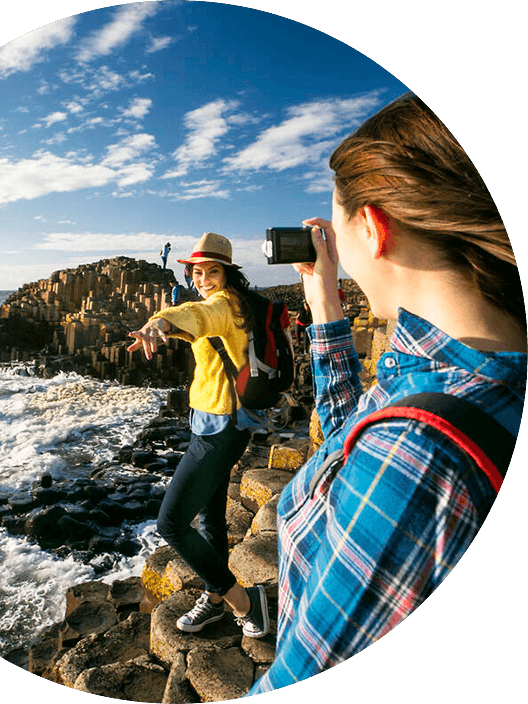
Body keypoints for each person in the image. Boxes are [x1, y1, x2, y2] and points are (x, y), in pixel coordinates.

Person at [248, 93, 526, 693]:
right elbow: (355, 435)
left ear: (374, 228)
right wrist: (324, 301)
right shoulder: (461, 377)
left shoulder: (419, 457)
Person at [128, 232, 270, 638]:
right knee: (210, 518)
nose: (204, 278)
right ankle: (214, 595)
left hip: (219, 430)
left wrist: (159, 321)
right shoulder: (234, 303)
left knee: (171, 523)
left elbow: (197, 315)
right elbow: (193, 317)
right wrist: (164, 324)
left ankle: (244, 602)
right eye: (198, 271)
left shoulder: (223, 304)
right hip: (218, 424)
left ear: (227, 274)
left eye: (213, 271)